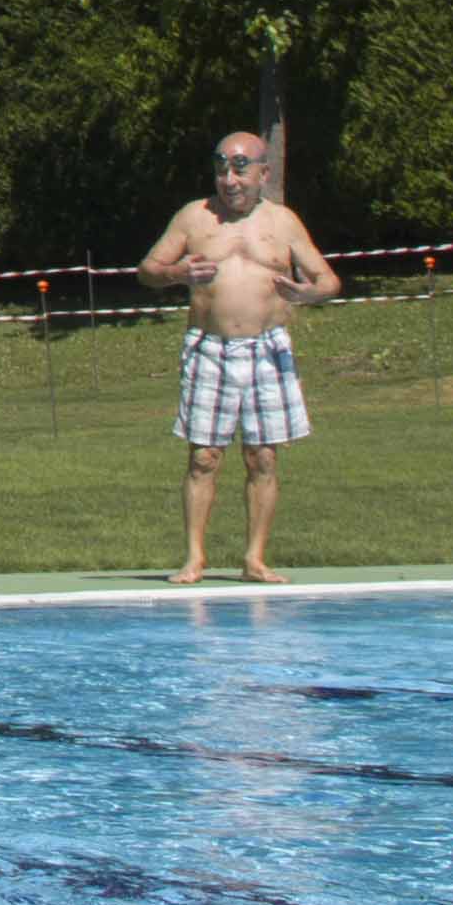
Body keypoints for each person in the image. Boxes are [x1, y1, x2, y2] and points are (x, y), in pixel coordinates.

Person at [139, 131, 336, 584]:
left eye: (241, 168)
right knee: (204, 457)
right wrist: (175, 272)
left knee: (262, 457)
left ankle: (255, 560)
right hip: (211, 350)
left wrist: (307, 293)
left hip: (268, 350)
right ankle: (194, 559)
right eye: (222, 168)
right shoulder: (194, 217)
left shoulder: (283, 222)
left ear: (264, 173)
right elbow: (147, 270)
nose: (230, 179)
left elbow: (328, 281)